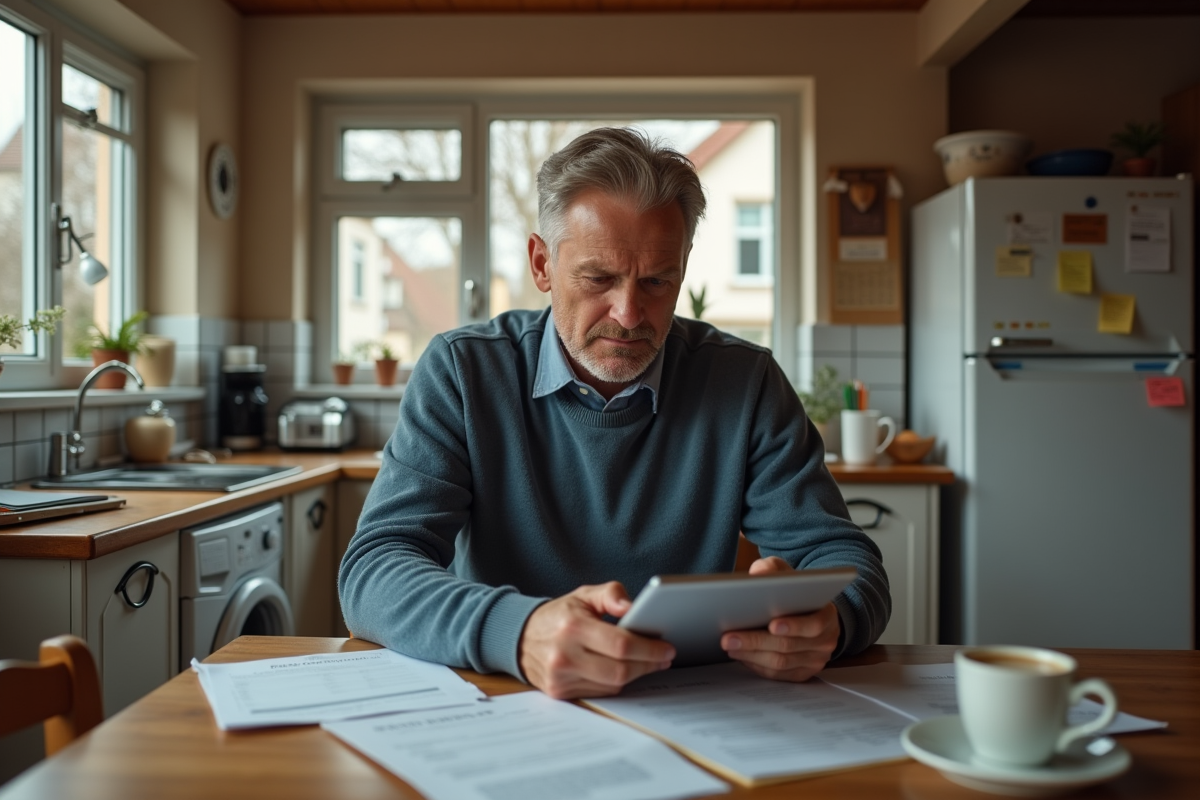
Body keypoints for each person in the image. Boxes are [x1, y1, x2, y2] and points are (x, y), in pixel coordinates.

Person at [339, 127, 890, 700]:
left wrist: (832, 621)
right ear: (542, 264)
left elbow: (849, 562)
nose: (629, 315)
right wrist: (518, 631)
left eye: (656, 280)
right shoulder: (462, 372)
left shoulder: (746, 383)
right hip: (508, 695)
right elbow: (374, 570)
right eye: (599, 278)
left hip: (697, 704)